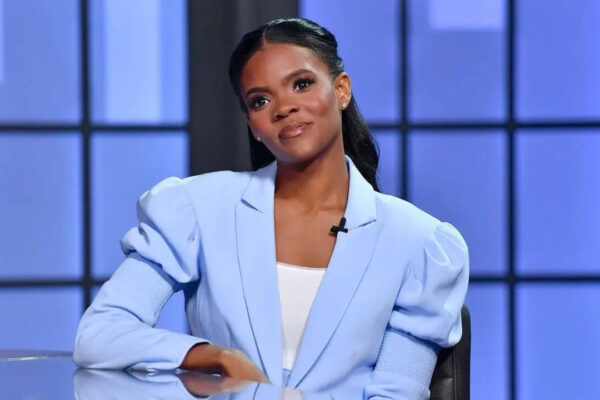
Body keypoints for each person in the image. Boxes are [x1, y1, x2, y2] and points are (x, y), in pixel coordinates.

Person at [74, 17, 469, 400]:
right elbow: (100, 333)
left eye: (301, 84)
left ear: (341, 90)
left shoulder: (419, 243)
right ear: (253, 125)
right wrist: (211, 355)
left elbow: (398, 391)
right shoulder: (198, 208)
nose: (284, 108)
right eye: (261, 100)